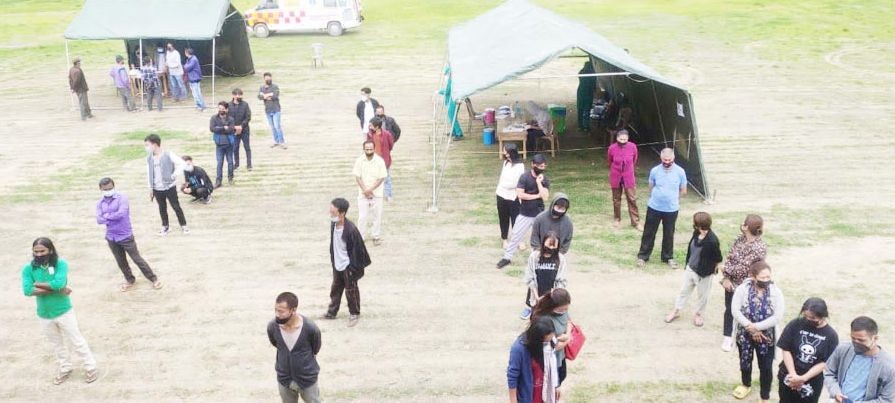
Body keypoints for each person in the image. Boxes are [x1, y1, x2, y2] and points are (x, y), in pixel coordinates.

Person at [22, 237, 98, 384]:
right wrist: (59, 289)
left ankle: (91, 367)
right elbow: (27, 290)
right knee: (57, 344)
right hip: (44, 314)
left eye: (42, 251)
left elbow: (58, 283)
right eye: (35, 252)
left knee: (77, 341)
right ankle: (65, 368)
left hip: (64, 311)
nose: (38, 254)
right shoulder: (28, 269)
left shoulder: (60, 264)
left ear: (50, 250)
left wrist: (38, 284)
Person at [730, 260, 784, 402]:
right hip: (745, 334)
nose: (766, 280)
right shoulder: (742, 289)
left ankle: (764, 396)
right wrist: (750, 327)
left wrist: (757, 328)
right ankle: (745, 383)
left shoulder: (776, 292)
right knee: (745, 361)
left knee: (766, 367)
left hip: (767, 336)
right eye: (762, 277)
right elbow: (735, 310)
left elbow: (777, 316)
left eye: (768, 277)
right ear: (753, 276)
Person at [96, 177, 163, 292]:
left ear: (114, 187)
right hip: (111, 237)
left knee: (137, 259)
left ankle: (153, 278)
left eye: (110, 188)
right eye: (105, 189)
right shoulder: (100, 202)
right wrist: (111, 217)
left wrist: (106, 216)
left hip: (125, 235)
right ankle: (129, 280)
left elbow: (121, 213)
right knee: (120, 261)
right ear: (100, 189)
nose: (108, 190)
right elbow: (98, 219)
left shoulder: (122, 198)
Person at [665, 212, 722, 327]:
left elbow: (718, 258)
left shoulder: (712, 240)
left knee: (702, 296)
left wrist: (713, 269)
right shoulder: (696, 233)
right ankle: (676, 311)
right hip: (691, 269)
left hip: (703, 273)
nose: (702, 230)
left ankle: (699, 314)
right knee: (684, 291)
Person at [776, 298, 839, 403]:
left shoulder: (831, 335)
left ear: (823, 316)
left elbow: (825, 362)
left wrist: (803, 378)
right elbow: (786, 349)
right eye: (805, 316)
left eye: (813, 318)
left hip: (811, 381)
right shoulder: (795, 324)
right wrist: (793, 376)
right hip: (789, 376)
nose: (808, 319)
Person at [720, 214, 768, 351]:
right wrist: (726, 278)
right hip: (730, 282)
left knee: (746, 310)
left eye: (744, 222)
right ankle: (727, 337)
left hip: (747, 284)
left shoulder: (759, 247)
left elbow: (744, 268)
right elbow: (730, 258)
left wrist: (727, 273)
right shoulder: (739, 239)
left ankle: (747, 335)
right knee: (729, 309)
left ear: (747, 227)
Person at [824, 316, 895, 403]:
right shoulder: (843, 349)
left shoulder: (889, 367)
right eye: (853, 338)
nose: (856, 343)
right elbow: (829, 372)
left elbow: (886, 400)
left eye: (861, 340)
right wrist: (835, 392)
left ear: (875, 338)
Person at [636, 148, 687, 269]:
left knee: (669, 233)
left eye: (669, 159)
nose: (667, 161)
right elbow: (651, 186)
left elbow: (683, 190)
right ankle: (643, 256)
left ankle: (667, 257)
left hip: (671, 209)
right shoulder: (655, 170)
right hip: (654, 207)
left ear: (673, 158)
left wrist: (674, 198)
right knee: (649, 232)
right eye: (665, 159)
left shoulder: (680, 171)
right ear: (661, 158)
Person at [324, 198, 371, 328]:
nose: (331, 214)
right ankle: (332, 312)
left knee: (351, 290)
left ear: (342, 213)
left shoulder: (351, 230)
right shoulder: (333, 224)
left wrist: (353, 269)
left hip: (348, 266)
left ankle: (354, 313)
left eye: (333, 212)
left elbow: (358, 251)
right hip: (337, 264)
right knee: (336, 289)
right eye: (330, 211)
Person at [497, 154, 550, 269]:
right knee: (516, 235)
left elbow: (545, 196)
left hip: (539, 213)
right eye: (539, 166)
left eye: (543, 166)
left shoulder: (544, 179)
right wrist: (536, 195)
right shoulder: (524, 177)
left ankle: (539, 259)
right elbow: (520, 194)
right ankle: (507, 257)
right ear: (533, 165)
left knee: (541, 238)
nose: (542, 168)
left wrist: (539, 183)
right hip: (525, 213)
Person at [268, 292, 322, 403]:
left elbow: (315, 348)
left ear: (293, 310)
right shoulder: (272, 326)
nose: (277, 314)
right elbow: (276, 344)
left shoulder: (310, 328)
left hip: (307, 379)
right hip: (285, 379)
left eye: (281, 311)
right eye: (276, 310)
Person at [507, 315, 562, 403]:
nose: (548, 343)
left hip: (546, 391)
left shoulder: (549, 341)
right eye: (545, 341)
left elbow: (553, 364)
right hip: (529, 395)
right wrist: (513, 400)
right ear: (537, 339)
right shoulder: (519, 348)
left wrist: (556, 384)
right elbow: (512, 376)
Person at [144, 133, 188, 235]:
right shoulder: (149, 158)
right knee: (162, 208)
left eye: (147, 145)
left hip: (169, 186)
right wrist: (150, 188)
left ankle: (184, 225)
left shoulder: (168, 154)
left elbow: (182, 163)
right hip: (157, 188)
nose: (146, 148)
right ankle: (165, 226)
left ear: (154, 144)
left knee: (176, 207)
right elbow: (149, 173)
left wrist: (174, 175)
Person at [531, 289, 573, 387]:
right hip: (549, 358)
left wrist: (567, 335)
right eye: (561, 310)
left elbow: (569, 321)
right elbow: (552, 347)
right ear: (551, 306)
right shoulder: (544, 319)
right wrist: (567, 340)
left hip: (560, 356)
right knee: (553, 383)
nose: (564, 312)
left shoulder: (563, 311)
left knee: (562, 376)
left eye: (566, 309)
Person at [522, 232, 567, 319]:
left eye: (554, 246)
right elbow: (529, 277)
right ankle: (529, 308)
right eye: (549, 245)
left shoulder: (561, 259)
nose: (551, 248)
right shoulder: (534, 256)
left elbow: (562, 281)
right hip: (536, 293)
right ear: (543, 243)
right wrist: (537, 297)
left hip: (552, 295)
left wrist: (550, 296)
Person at [352, 141, 388, 245]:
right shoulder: (359, 160)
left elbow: (381, 178)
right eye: (367, 149)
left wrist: (370, 190)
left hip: (377, 194)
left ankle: (376, 236)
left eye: (371, 149)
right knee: (362, 216)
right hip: (363, 194)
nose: (369, 151)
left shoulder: (379, 161)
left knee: (377, 216)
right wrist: (365, 190)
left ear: (374, 149)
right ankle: (360, 237)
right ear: (363, 149)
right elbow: (357, 177)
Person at [607, 129, 640, 230]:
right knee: (616, 199)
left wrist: (628, 169)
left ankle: (636, 222)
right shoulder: (612, 148)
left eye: (625, 139)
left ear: (628, 138)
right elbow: (609, 160)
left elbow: (634, 159)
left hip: (628, 176)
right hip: (616, 176)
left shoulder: (633, 147)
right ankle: (617, 219)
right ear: (617, 138)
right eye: (621, 139)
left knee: (632, 198)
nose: (622, 141)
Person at [496, 144, 525, 248]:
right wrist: (504, 185)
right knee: (503, 217)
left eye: (505, 151)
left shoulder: (520, 166)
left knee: (516, 218)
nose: (503, 152)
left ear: (509, 153)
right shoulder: (505, 163)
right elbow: (502, 179)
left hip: (513, 195)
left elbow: (517, 182)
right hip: (501, 194)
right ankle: (504, 239)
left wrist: (507, 185)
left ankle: (519, 240)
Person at [366, 117, 396, 201]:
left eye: (371, 125)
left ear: (377, 127)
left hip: (384, 160)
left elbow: (391, 145)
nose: (370, 127)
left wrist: (385, 153)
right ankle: (372, 194)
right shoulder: (370, 134)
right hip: (373, 160)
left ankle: (388, 195)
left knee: (386, 178)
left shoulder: (387, 134)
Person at [210, 101, 236, 187]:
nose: (220, 110)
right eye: (219, 108)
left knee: (230, 162)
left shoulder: (231, 119)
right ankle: (218, 181)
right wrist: (223, 128)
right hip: (219, 144)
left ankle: (230, 178)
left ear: (227, 109)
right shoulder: (214, 118)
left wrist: (220, 129)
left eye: (222, 109)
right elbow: (212, 129)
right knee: (219, 163)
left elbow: (231, 130)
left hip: (229, 144)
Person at [259, 72, 286, 148]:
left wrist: (265, 95)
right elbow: (259, 97)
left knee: (277, 126)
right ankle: (276, 141)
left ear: (271, 78)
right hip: (268, 110)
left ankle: (282, 142)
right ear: (264, 79)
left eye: (269, 77)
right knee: (272, 127)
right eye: (266, 78)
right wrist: (269, 95)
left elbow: (275, 96)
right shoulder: (262, 87)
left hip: (276, 109)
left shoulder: (275, 87)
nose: (268, 79)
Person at [230, 88, 252, 171]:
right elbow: (228, 118)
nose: (237, 96)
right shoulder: (229, 105)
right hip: (234, 131)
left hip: (245, 130)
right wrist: (234, 127)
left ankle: (249, 164)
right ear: (233, 95)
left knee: (247, 147)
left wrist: (241, 126)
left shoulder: (245, 105)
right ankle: (236, 164)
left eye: (239, 94)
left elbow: (248, 117)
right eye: (236, 95)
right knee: (235, 148)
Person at [576, 61, 596, 133]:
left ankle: (580, 126)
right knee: (586, 110)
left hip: (581, 91)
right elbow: (594, 86)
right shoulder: (592, 74)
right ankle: (586, 126)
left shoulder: (581, 72)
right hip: (588, 93)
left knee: (580, 109)